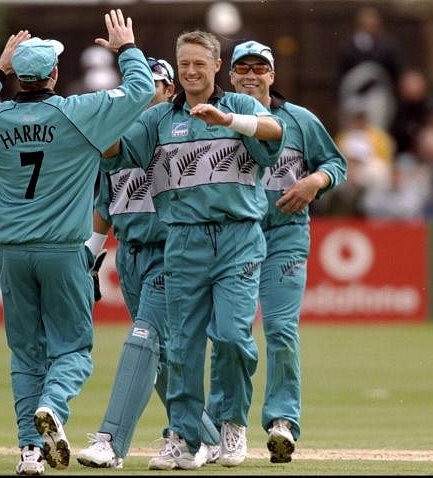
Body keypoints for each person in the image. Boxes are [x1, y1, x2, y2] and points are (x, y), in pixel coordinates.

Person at [0, 9, 155, 475]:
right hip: (63, 252)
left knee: (26, 353)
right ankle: (54, 406)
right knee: (73, 351)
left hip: (13, 254)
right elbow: (141, 91)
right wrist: (126, 48)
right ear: (55, 74)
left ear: (19, 76)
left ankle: (29, 452)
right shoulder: (78, 114)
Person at [102, 30, 286, 469]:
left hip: (237, 238)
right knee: (181, 345)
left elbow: (273, 130)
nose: (189, 71)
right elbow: (116, 153)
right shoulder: (158, 120)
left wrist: (227, 123)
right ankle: (184, 438)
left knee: (233, 337)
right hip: (182, 239)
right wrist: (99, 121)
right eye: (183, 64)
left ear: (216, 65)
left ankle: (232, 426)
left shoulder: (239, 105)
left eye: (198, 64)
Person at [75, 57, 220, 471]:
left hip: (170, 251)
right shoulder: (121, 137)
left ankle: (110, 442)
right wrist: (91, 251)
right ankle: (206, 436)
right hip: (133, 257)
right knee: (160, 357)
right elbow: (106, 199)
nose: (145, 97)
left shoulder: (172, 133)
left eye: (154, 87)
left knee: (142, 339)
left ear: (169, 91)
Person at [208, 40, 347, 464]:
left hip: (283, 236)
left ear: (272, 75)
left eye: (259, 68)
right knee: (227, 334)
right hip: (231, 238)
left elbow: (336, 164)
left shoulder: (299, 120)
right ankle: (223, 422)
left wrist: (314, 182)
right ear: (230, 76)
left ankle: (282, 422)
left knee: (281, 330)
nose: (251, 75)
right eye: (242, 69)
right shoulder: (215, 118)